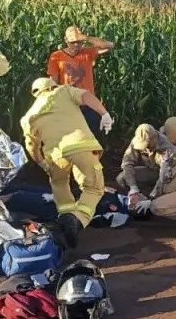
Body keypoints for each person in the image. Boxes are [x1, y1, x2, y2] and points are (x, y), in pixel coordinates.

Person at [20, 77, 114, 248]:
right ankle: (78, 219)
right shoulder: (64, 91)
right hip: (82, 147)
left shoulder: (29, 116)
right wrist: (104, 114)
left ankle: (65, 217)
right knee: (93, 187)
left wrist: (41, 162)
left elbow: (32, 146)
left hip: (55, 155)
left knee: (59, 184)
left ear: (35, 93)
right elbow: (87, 96)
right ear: (52, 85)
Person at [46, 26, 114, 139]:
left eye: (79, 42)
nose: (76, 45)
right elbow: (53, 82)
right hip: (69, 105)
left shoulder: (88, 53)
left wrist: (85, 37)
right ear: (65, 40)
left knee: (92, 138)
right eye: (73, 42)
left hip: (89, 105)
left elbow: (109, 45)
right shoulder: (56, 57)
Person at [116, 123, 176, 201]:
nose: (144, 148)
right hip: (151, 171)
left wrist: (152, 197)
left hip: (166, 175)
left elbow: (165, 175)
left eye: (146, 145)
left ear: (153, 139)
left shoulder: (166, 147)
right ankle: (135, 197)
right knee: (121, 178)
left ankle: (153, 197)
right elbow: (127, 163)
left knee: (159, 197)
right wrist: (133, 187)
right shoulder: (136, 140)